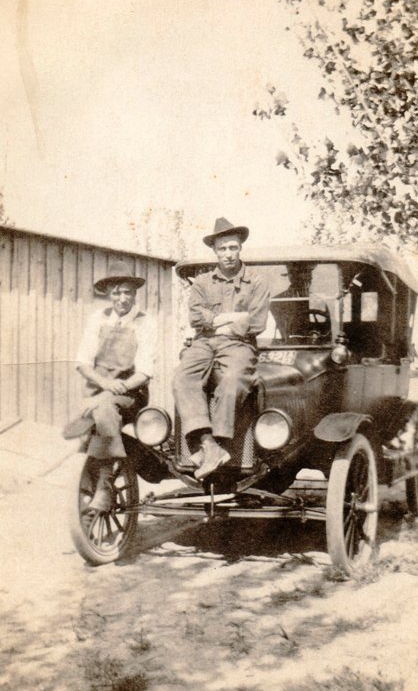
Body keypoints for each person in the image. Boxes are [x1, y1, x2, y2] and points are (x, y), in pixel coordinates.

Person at [173, 218, 270, 480]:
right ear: (215, 251)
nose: (228, 254)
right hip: (203, 342)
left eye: (233, 248)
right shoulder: (202, 283)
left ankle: (222, 443)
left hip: (240, 344)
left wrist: (216, 321)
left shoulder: (257, 282)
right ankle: (209, 445)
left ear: (240, 248)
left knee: (232, 380)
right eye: (222, 248)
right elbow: (195, 318)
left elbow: (256, 323)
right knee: (182, 377)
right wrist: (234, 318)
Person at [63, 260, 156, 512]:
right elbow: (82, 362)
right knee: (91, 413)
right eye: (116, 293)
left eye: (127, 292)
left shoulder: (145, 322)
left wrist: (119, 386)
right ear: (108, 293)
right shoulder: (97, 319)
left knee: (104, 408)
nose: (122, 299)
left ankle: (105, 483)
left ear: (135, 294)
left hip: (130, 394)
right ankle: (91, 471)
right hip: (99, 389)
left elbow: (145, 372)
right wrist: (104, 383)